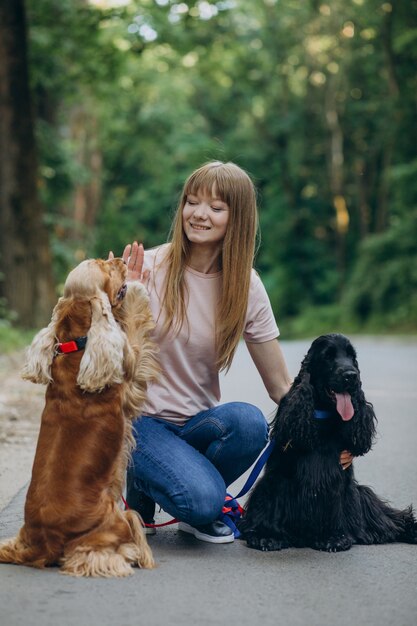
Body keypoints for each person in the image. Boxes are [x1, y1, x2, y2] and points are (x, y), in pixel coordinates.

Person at [115, 160, 352, 544]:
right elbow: (108, 360)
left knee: (249, 423)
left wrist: (334, 438)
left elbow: (281, 386)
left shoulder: (246, 287)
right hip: (140, 423)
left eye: (216, 207)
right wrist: (123, 303)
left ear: (236, 216)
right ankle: (162, 483)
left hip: (197, 424)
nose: (199, 214)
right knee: (206, 502)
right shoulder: (149, 269)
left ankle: (168, 486)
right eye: (192, 202)